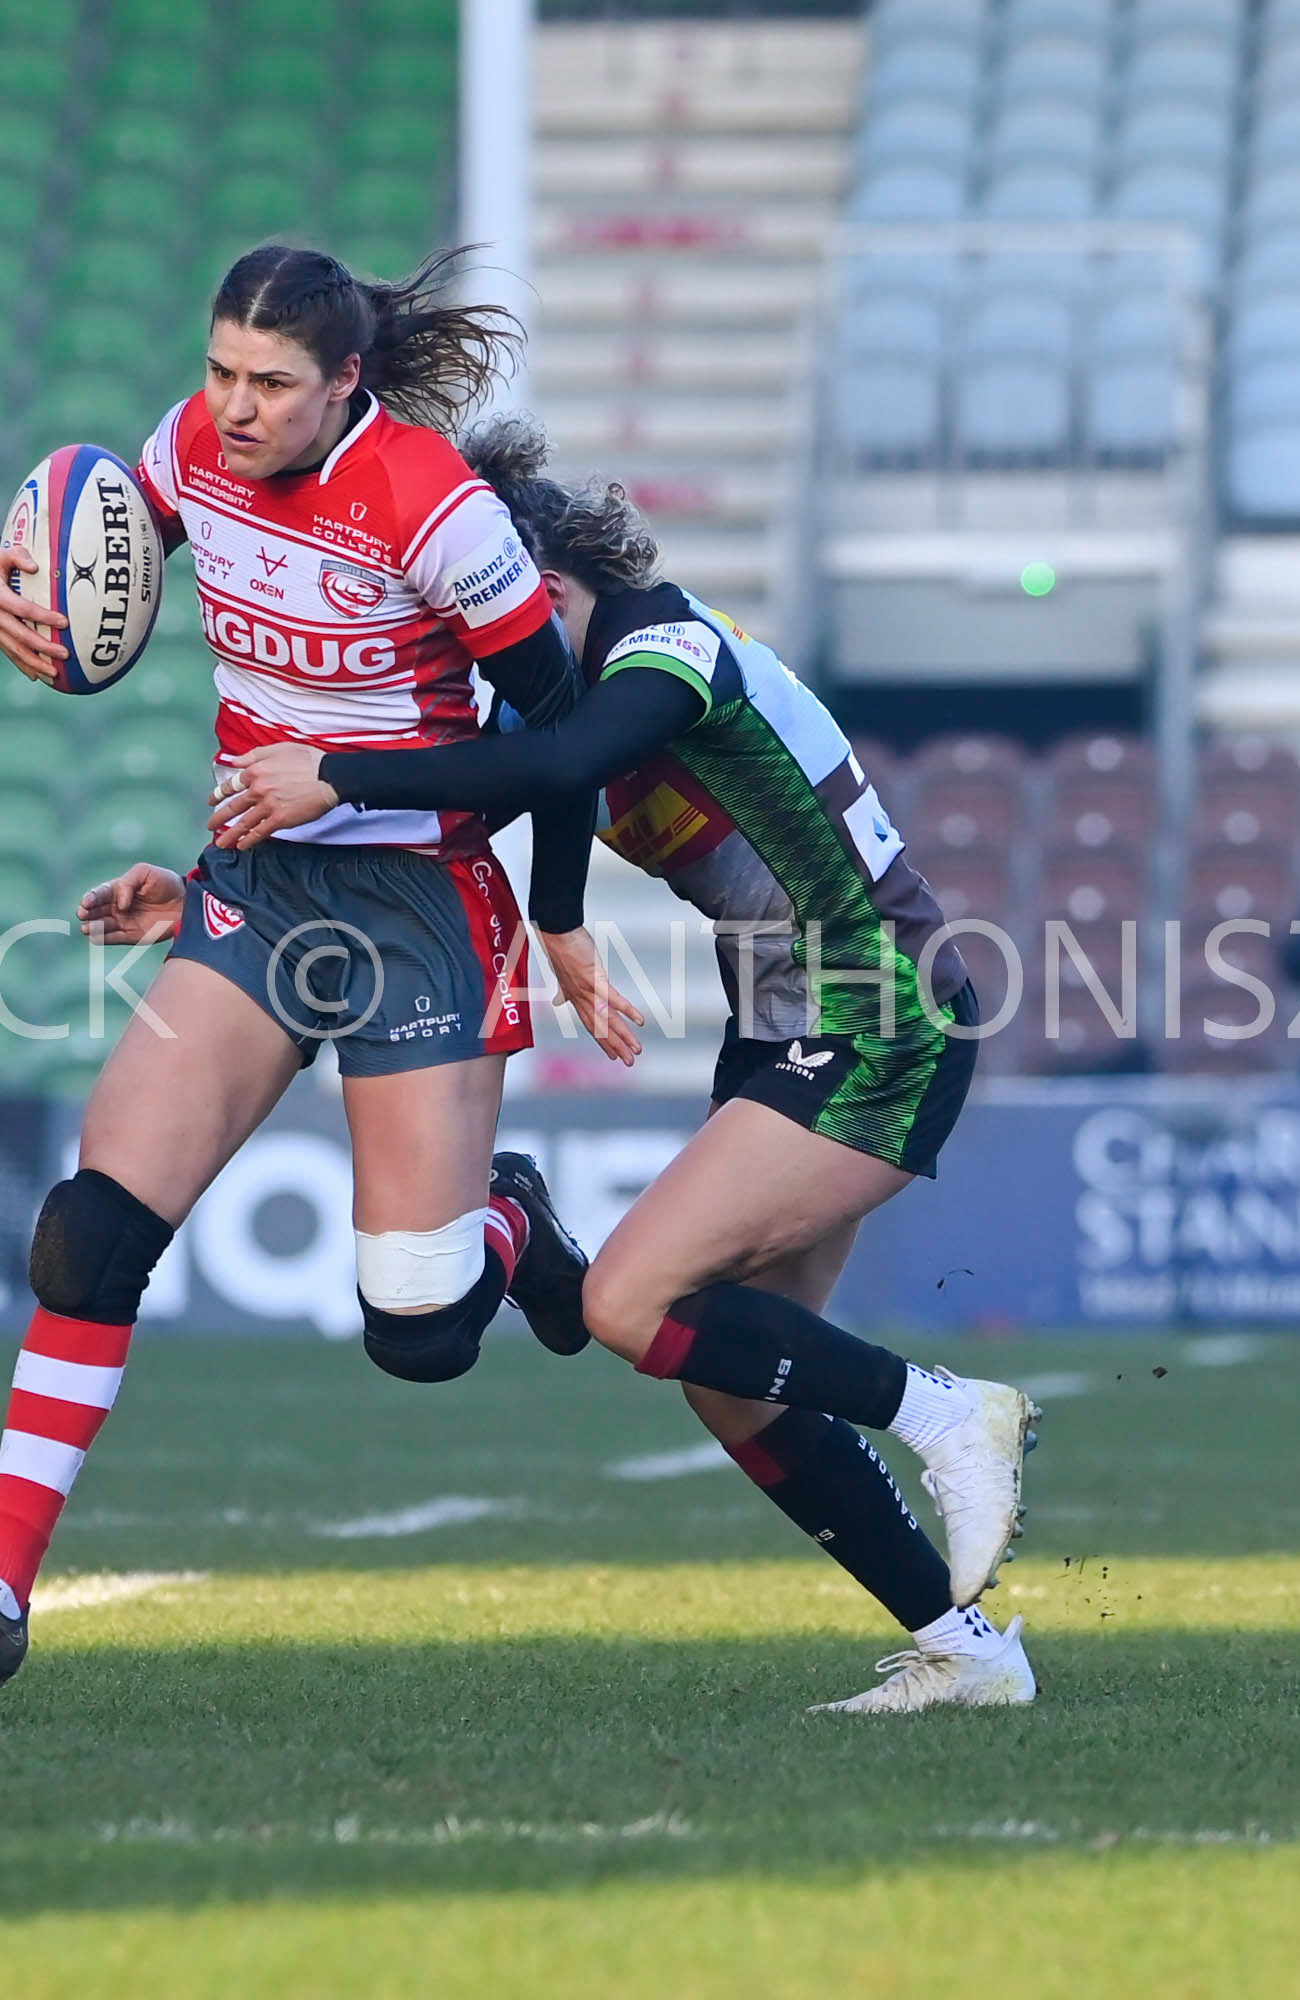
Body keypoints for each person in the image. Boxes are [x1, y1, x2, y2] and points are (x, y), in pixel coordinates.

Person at [0, 248, 611, 1689]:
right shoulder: (189, 452)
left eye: (270, 384)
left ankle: (512, 1228)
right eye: (219, 371)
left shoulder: (436, 508)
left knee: (423, 1336)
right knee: (92, 1228)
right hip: (256, 889)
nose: (232, 408)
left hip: (421, 902)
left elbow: (562, 749)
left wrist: (372, 789)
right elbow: (68, 569)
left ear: (344, 385)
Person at [204, 416, 1043, 1713]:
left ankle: (945, 1411)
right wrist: (221, 885)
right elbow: (528, 785)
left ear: (532, 577)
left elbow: (557, 763)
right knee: (726, 1369)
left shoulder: (667, 644)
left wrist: (338, 765)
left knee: (627, 1306)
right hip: (788, 1019)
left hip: (883, 1010)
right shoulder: (575, 683)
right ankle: (968, 1648)